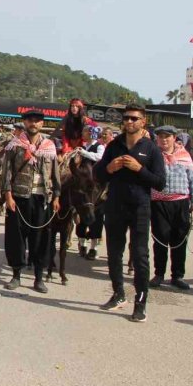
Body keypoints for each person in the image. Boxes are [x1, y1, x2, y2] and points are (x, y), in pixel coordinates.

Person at [94, 103, 166, 323]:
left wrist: (139, 169)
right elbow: (98, 175)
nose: (129, 122)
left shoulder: (151, 149)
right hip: (115, 204)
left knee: (140, 255)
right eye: (126, 118)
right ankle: (118, 294)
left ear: (143, 121)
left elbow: (160, 183)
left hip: (140, 207)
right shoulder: (114, 145)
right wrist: (109, 168)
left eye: (134, 118)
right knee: (114, 252)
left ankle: (140, 302)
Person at [1, 110, 61, 293]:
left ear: (42, 124)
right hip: (19, 197)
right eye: (29, 121)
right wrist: (8, 195)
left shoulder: (50, 146)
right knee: (16, 237)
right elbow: (6, 172)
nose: (33, 124)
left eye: (37, 121)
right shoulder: (15, 145)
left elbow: (55, 173)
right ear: (25, 123)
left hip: (42, 198)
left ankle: (38, 278)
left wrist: (57, 196)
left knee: (41, 238)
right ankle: (16, 275)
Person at [149, 125, 193, 291]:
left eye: (167, 136)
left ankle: (177, 275)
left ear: (174, 138)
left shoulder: (184, 156)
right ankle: (159, 274)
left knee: (179, 240)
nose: (163, 139)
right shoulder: (153, 156)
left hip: (181, 203)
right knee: (160, 238)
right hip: (158, 203)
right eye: (160, 136)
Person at [76, 125, 105, 259]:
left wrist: (84, 153)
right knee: (80, 212)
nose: (83, 133)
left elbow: (100, 158)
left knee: (97, 215)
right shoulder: (83, 146)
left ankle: (93, 247)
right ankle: (82, 244)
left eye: (85, 131)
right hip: (83, 181)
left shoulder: (99, 146)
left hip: (95, 182)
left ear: (91, 133)